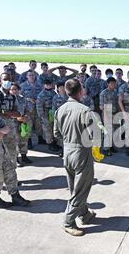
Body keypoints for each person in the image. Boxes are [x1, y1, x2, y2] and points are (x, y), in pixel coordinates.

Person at [54, 79, 97, 237]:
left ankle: (84, 214)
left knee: (75, 187)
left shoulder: (60, 110)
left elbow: (56, 133)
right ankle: (68, 221)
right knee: (81, 189)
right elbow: (93, 135)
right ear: (80, 92)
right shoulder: (85, 111)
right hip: (81, 152)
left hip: (67, 151)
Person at [0, 73, 22, 167]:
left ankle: (12, 176)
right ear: (0, 81)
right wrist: (9, 113)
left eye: (9, 79)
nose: (7, 82)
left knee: (12, 151)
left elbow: (18, 113)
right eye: (5, 79)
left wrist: (5, 112)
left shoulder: (13, 97)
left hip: (10, 128)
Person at [9, 83, 32, 166]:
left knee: (24, 139)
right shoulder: (8, 100)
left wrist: (25, 116)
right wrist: (17, 117)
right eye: (12, 89)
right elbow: (5, 112)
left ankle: (24, 156)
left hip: (23, 122)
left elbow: (27, 109)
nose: (14, 91)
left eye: (16, 89)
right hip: (12, 123)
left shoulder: (22, 99)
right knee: (15, 141)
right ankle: (15, 159)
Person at [20, 69, 44, 146]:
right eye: (30, 75)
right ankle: (29, 141)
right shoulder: (23, 86)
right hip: (28, 109)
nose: (31, 77)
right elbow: (19, 96)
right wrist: (28, 99)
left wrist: (39, 100)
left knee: (38, 124)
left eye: (33, 75)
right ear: (27, 76)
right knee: (29, 124)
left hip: (38, 108)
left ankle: (40, 139)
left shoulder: (39, 85)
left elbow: (43, 94)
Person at [36, 80, 59, 152]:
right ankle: (50, 144)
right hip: (45, 113)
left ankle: (54, 142)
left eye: (50, 84)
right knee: (47, 129)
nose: (48, 85)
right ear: (44, 85)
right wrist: (42, 116)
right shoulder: (41, 94)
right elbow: (39, 106)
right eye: (47, 84)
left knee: (54, 128)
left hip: (53, 112)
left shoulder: (53, 92)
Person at [100, 77, 119, 156]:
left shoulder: (115, 92)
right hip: (107, 114)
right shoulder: (103, 93)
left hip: (114, 114)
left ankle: (110, 146)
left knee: (113, 132)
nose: (113, 85)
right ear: (108, 84)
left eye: (114, 83)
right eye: (112, 83)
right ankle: (105, 149)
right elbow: (101, 106)